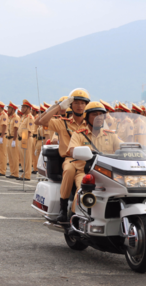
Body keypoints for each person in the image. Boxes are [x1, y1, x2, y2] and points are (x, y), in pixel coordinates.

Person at [35, 89, 90, 221]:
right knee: (69, 171)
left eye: (82, 103)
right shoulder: (63, 123)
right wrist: (59, 106)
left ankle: (77, 212)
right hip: (70, 160)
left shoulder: (90, 124)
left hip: (87, 162)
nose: (79, 106)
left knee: (83, 185)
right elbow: (40, 121)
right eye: (76, 102)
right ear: (70, 105)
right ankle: (62, 208)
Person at [67, 101, 122, 218]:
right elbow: (72, 150)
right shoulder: (79, 134)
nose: (98, 117)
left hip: (109, 173)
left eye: (101, 115)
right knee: (81, 192)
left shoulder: (111, 135)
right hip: (86, 172)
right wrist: (80, 152)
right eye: (94, 114)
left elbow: (122, 148)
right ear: (86, 117)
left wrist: (136, 150)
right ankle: (73, 220)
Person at [17, 100, 36, 181]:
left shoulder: (30, 117)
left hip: (26, 138)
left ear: (28, 108)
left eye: (24, 107)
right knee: (23, 157)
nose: (22, 108)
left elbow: (29, 130)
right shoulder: (24, 117)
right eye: (22, 107)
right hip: (22, 138)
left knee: (27, 158)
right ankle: (24, 173)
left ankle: (27, 175)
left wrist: (24, 140)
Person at [6, 102, 20, 179]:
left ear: (13, 109)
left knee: (14, 157)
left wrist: (14, 140)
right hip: (9, 138)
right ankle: (12, 172)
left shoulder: (16, 118)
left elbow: (16, 129)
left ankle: (16, 173)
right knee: (10, 157)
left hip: (13, 138)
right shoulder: (10, 117)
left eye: (9, 108)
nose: (8, 110)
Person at [30, 105, 40, 175]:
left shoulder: (37, 117)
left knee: (35, 154)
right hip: (34, 136)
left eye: (32, 110)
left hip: (36, 136)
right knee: (34, 154)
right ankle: (35, 168)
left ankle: (36, 168)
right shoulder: (35, 117)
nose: (31, 112)